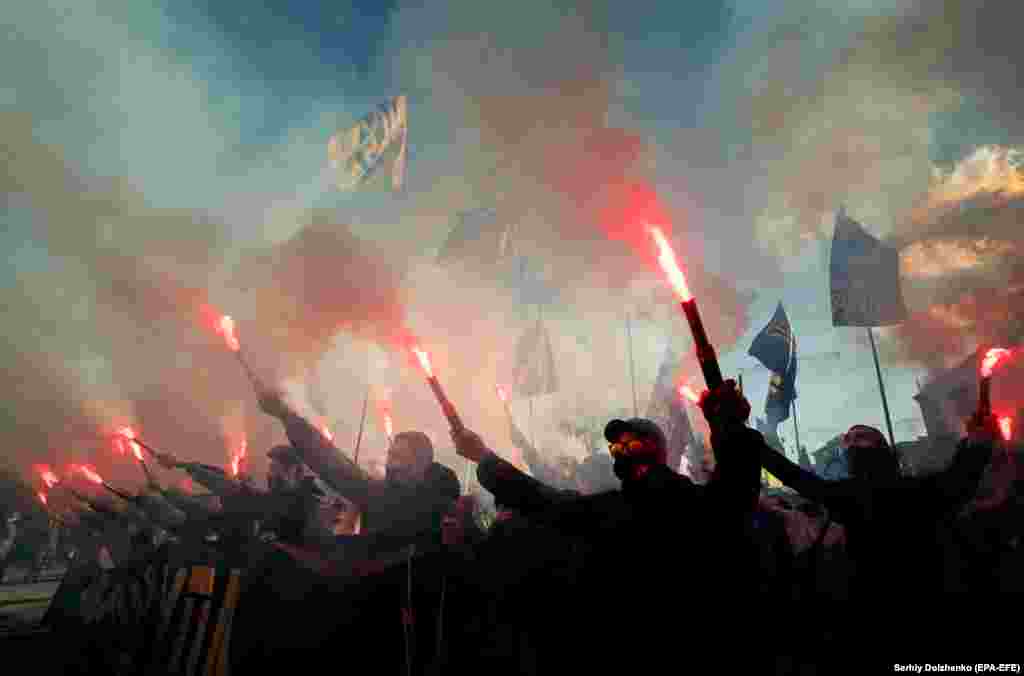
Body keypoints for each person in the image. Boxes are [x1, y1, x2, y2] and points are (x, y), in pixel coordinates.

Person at [451, 388, 761, 668]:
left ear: (657, 451)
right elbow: (543, 499)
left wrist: (728, 426)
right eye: (615, 448)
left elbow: (735, 493)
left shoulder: (690, 506)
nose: (620, 451)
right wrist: (484, 458)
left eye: (632, 444)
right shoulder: (611, 508)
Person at [701, 382, 996, 661]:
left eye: (862, 437)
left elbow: (956, 484)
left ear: (882, 447)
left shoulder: (912, 490)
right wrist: (740, 436)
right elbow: (796, 478)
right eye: (849, 439)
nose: (852, 443)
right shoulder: (847, 494)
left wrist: (977, 443)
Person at [257, 388, 460, 563]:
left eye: (398, 457)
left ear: (420, 465)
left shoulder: (415, 504)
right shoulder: (436, 504)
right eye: (390, 455)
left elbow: (335, 466)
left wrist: (287, 416)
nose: (390, 464)